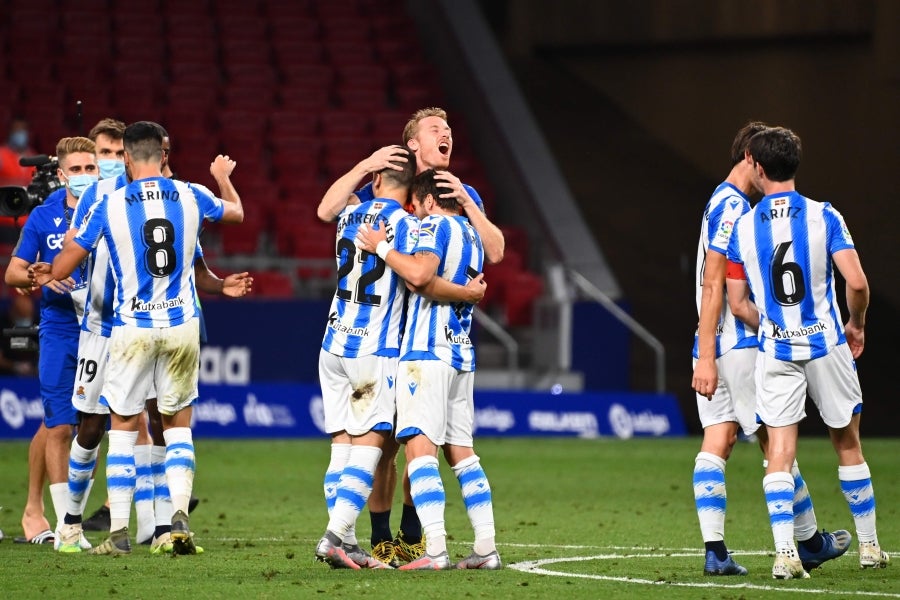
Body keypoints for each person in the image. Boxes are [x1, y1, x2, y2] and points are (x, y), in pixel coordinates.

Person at [38, 121, 244, 556]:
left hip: (130, 326)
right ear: (162, 155)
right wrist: (224, 179)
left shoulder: (110, 203)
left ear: (127, 159)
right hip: (183, 324)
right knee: (177, 425)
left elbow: (63, 266)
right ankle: (178, 518)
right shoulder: (190, 194)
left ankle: (117, 533)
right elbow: (236, 213)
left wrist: (51, 268)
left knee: (124, 426)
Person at [317, 107, 503, 565]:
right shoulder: (393, 191)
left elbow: (495, 250)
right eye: (436, 130)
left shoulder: (457, 195)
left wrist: (469, 201)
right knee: (384, 449)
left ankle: (409, 533)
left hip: (419, 342)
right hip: (393, 339)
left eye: (450, 130)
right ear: (413, 144)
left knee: (418, 443)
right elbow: (327, 210)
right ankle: (376, 536)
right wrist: (365, 167)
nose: (447, 135)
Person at [725, 126, 890, 578]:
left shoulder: (741, 228)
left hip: (776, 351)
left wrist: (775, 328)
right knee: (848, 443)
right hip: (827, 344)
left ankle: (785, 556)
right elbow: (855, 283)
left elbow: (738, 303)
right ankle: (871, 547)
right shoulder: (825, 217)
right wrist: (855, 323)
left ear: (757, 167)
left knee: (779, 451)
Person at [689, 122, 849, 576]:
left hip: (712, 340)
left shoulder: (721, 201)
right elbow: (715, 283)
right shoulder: (733, 207)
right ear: (750, 161)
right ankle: (809, 540)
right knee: (774, 440)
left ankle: (715, 552)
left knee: (717, 439)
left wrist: (702, 346)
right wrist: (707, 351)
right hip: (735, 343)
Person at [356, 169, 500, 570]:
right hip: (459, 353)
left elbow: (420, 275)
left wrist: (383, 248)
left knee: (419, 451)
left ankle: (434, 550)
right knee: (464, 455)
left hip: (426, 353)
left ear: (429, 202)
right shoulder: (472, 234)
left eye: (417, 208)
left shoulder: (433, 223)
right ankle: (486, 548)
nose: (416, 216)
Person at [5, 136, 96, 545]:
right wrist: (38, 277)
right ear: (60, 175)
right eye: (74, 169)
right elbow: (12, 273)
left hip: (102, 328)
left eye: (89, 167)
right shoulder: (43, 217)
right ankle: (66, 528)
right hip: (60, 329)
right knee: (59, 424)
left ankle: (70, 519)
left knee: (91, 429)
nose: (82, 175)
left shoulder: (112, 210)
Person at [0, 293, 39, 377]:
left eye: (27, 317)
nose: (25, 320)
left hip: (34, 376)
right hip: (6, 377)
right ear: (12, 312)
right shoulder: (2, 325)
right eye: (21, 317)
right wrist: (15, 366)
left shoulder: (38, 325)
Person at [0, 117, 36, 187]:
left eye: (23, 130)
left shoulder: (34, 157)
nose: (20, 134)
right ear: (10, 132)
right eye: (17, 130)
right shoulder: (1, 154)